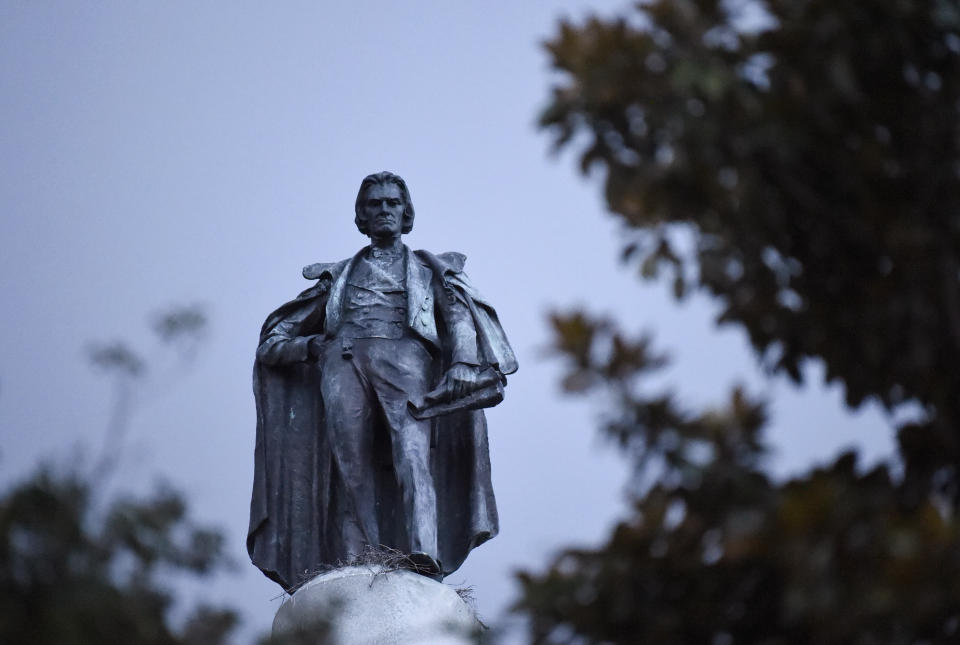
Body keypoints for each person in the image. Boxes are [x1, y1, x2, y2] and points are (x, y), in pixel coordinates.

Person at [247, 172, 517, 591]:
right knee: (349, 466)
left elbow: (459, 314)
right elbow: (272, 344)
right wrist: (314, 346)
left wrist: (463, 362)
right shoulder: (337, 277)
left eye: (393, 203)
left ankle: (424, 551)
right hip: (344, 361)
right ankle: (359, 558)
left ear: (406, 214)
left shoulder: (429, 269)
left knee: (413, 456)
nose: (385, 210)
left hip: (407, 362)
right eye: (375, 204)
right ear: (362, 216)